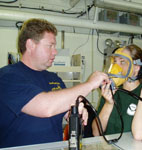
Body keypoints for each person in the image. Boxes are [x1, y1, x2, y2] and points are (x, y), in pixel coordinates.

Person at [0, 18, 109, 148]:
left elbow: (64, 111)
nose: (55, 51)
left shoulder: (54, 78)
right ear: (30, 45)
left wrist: (75, 113)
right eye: (50, 45)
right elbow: (46, 107)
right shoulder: (7, 77)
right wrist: (90, 84)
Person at [92, 44, 142, 140]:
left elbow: (139, 135)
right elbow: (96, 132)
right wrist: (108, 104)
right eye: (115, 62)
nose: (116, 67)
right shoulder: (111, 92)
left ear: (136, 67)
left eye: (122, 62)